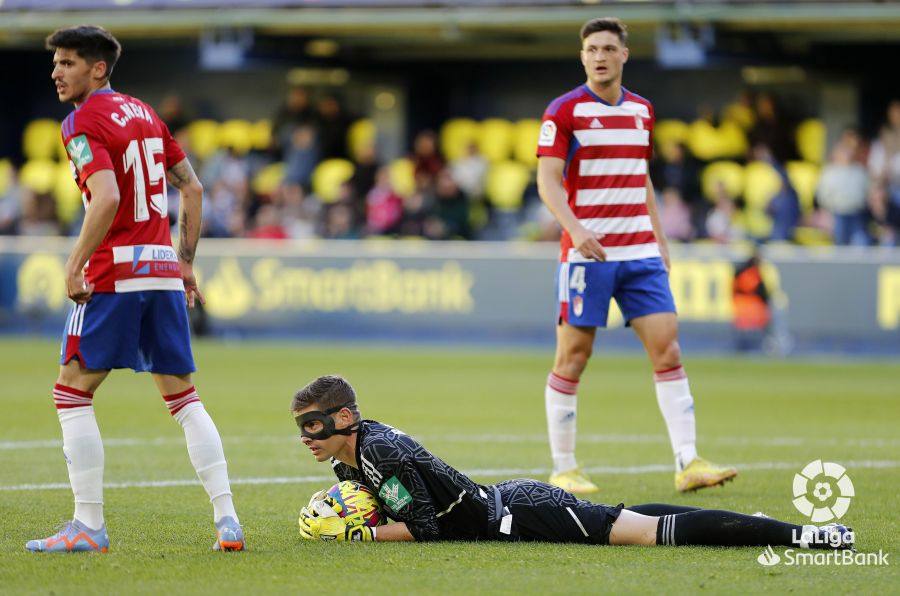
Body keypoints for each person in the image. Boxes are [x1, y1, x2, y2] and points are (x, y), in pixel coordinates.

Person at [27, 26, 244, 553]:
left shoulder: (80, 122)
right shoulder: (145, 113)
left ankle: (88, 526)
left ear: (98, 68)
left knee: (71, 390)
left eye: (69, 62)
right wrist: (185, 262)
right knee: (185, 398)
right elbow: (191, 186)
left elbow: (105, 198)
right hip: (161, 270)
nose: (57, 71)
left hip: (113, 273)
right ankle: (228, 522)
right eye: (55, 62)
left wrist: (75, 264)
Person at [291, 375, 853, 551]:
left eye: (313, 425)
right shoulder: (354, 457)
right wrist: (355, 514)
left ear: (343, 419)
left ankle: (808, 536)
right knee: (630, 518)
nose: (306, 438)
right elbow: (393, 508)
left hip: (522, 515)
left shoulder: (378, 451)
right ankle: (770, 526)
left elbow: (427, 529)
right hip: (508, 506)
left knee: (652, 535)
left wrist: (358, 537)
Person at [535, 17, 736, 494]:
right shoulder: (563, 111)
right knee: (573, 357)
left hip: (641, 252)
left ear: (624, 54)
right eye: (590, 49)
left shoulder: (643, 111)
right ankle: (564, 466)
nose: (599, 56)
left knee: (668, 348)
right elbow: (547, 182)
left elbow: (640, 177)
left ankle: (688, 462)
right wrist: (576, 229)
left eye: (608, 48)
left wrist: (661, 239)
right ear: (582, 56)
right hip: (589, 257)